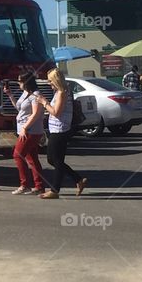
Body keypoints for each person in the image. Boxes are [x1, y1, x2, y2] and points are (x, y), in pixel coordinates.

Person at [36, 69, 87, 199]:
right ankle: (78, 179)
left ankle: (55, 190)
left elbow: (56, 112)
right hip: (57, 129)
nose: (49, 83)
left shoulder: (62, 93)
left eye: (50, 80)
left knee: (56, 160)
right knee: (53, 159)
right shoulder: (61, 92)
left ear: (56, 80)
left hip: (60, 130)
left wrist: (44, 102)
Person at [4, 72, 46, 195]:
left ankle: (24, 184)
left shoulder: (36, 95)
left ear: (26, 82)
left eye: (20, 81)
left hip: (31, 131)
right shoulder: (25, 93)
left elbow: (36, 113)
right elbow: (19, 107)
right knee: (32, 158)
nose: (19, 83)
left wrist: (25, 128)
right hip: (24, 129)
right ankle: (39, 186)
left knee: (17, 155)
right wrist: (10, 95)